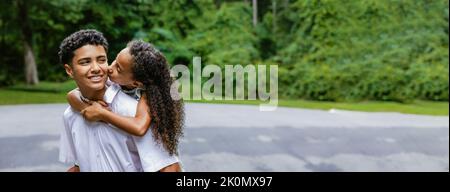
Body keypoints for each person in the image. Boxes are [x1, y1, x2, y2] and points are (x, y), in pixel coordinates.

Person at [58, 29, 180, 172]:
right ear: (69, 70)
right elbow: (82, 164)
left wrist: (103, 114)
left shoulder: (133, 109)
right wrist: (83, 106)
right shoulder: (71, 115)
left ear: (136, 82)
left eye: (102, 60)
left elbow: (170, 167)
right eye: (85, 62)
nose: (97, 68)